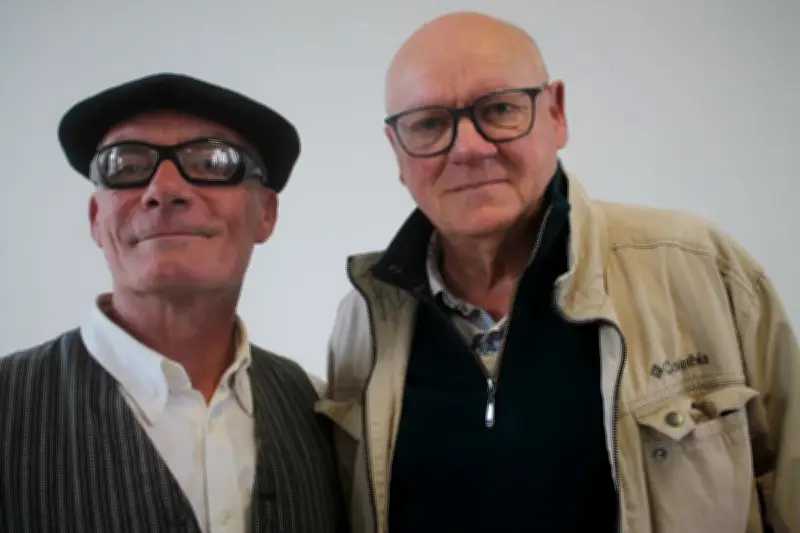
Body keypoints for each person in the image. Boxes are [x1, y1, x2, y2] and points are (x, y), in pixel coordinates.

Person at [317, 11, 800, 533]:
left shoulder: (699, 268)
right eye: (429, 124)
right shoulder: (365, 320)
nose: (469, 148)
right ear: (397, 151)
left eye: (499, 109)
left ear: (556, 113)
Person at [0, 73, 346, 533]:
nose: (163, 189)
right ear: (96, 219)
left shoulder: (320, 413)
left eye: (212, 162)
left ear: (266, 214)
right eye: (126, 166)